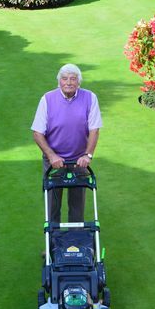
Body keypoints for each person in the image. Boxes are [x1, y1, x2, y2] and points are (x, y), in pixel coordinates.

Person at [32, 64, 102, 223]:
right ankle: (52, 246)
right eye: (64, 79)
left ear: (79, 82)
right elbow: (37, 132)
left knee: (77, 207)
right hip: (54, 162)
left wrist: (88, 155)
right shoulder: (47, 99)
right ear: (59, 82)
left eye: (73, 79)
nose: (68, 82)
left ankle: (74, 242)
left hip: (79, 161)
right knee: (52, 206)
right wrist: (51, 155)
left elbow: (94, 130)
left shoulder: (90, 98)